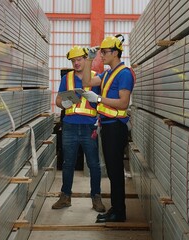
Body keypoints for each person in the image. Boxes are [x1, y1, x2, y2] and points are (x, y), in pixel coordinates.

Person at [81, 35, 135, 223]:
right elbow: (87, 81)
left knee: (115, 171)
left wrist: (99, 99)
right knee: (113, 171)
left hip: (116, 129)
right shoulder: (108, 74)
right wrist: (89, 58)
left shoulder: (124, 74)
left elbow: (123, 103)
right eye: (101, 52)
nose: (102, 55)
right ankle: (116, 209)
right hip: (108, 126)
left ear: (115, 52)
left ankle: (119, 212)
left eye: (104, 52)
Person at [52, 46, 106, 213]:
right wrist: (65, 102)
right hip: (69, 125)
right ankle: (65, 196)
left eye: (79, 59)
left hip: (89, 126)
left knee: (94, 165)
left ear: (85, 59)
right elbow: (58, 101)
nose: (76, 63)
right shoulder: (67, 78)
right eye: (73, 61)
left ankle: (96, 197)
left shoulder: (96, 77)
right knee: (68, 163)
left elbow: (104, 100)